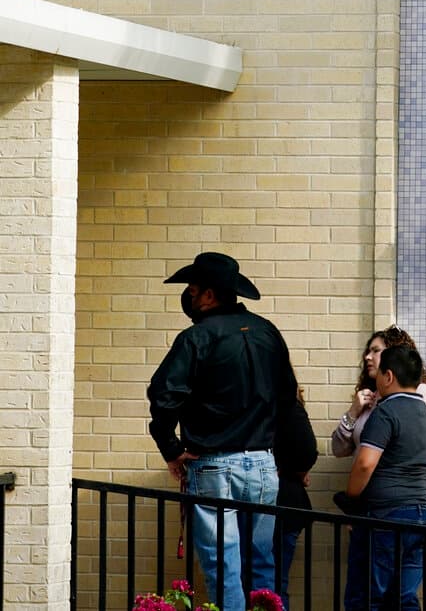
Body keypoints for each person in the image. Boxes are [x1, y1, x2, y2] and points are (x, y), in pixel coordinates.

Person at [147, 252, 298, 611]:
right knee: (263, 564)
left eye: (194, 291)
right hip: (263, 464)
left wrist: (171, 449)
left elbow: (163, 396)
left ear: (210, 296)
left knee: (224, 567)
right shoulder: (268, 332)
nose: (190, 297)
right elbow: (288, 396)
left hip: (213, 465)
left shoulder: (196, 337)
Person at [339, 345, 426, 611]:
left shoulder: (385, 413)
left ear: (388, 377)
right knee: (405, 598)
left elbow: (365, 464)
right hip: (421, 516)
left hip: (383, 515)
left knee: (366, 597)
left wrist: (352, 500)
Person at [331, 325, 426, 459]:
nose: (367, 357)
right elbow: (338, 450)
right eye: (368, 352)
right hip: (365, 479)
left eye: (375, 351)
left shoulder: (420, 392)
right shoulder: (368, 396)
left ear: (395, 354)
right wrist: (353, 413)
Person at [273, 385, 318, 611]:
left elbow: (306, 453)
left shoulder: (279, 402)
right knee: (275, 582)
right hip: (287, 504)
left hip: (280, 503)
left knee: (263, 579)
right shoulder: (289, 403)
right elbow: (306, 453)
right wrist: (295, 471)